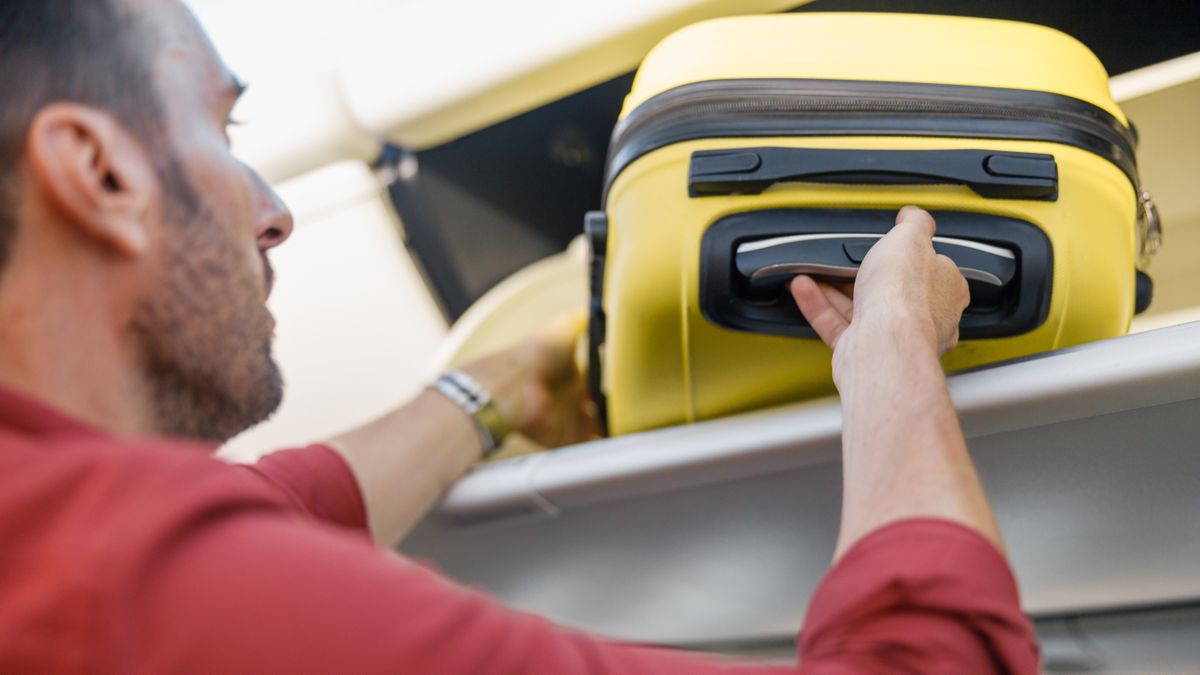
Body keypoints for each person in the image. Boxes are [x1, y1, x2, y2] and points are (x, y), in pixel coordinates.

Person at [0, 0, 1039, 672]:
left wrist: (505, 384)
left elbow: (279, 503)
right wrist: (892, 352)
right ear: (98, 172)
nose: (273, 212)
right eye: (221, 130)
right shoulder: (120, 589)